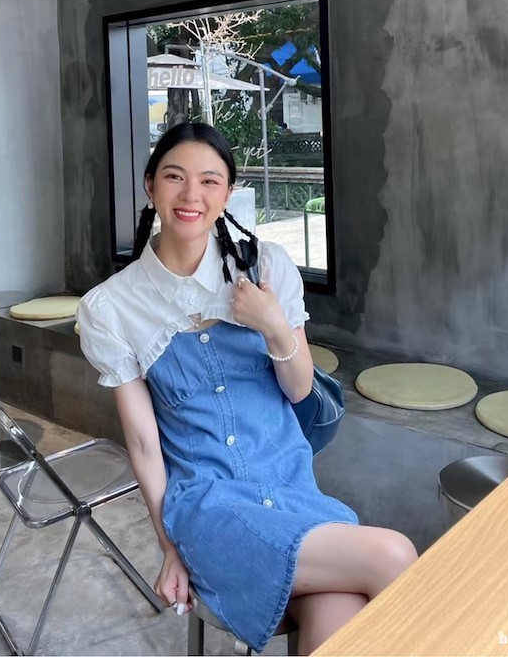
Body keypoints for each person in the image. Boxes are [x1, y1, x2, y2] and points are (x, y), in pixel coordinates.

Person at [78, 123, 416, 655]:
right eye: (175, 177)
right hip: (210, 512)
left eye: (210, 181)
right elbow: (143, 445)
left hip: (293, 493)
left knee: (340, 615)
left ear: (228, 192)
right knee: (393, 554)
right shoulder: (112, 307)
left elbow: (300, 389)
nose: (192, 195)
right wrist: (169, 548)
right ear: (150, 185)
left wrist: (274, 325)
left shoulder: (267, 268)